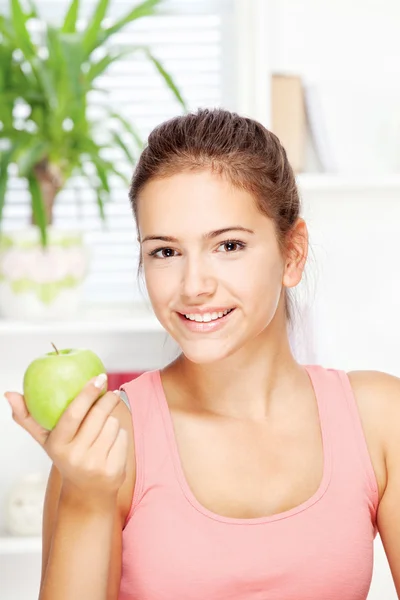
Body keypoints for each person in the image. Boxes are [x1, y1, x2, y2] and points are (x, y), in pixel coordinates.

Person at [4, 108, 400, 600]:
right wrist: (87, 494)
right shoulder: (109, 440)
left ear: (292, 254)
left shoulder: (380, 420)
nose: (194, 286)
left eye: (228, 245)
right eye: (165, 252)